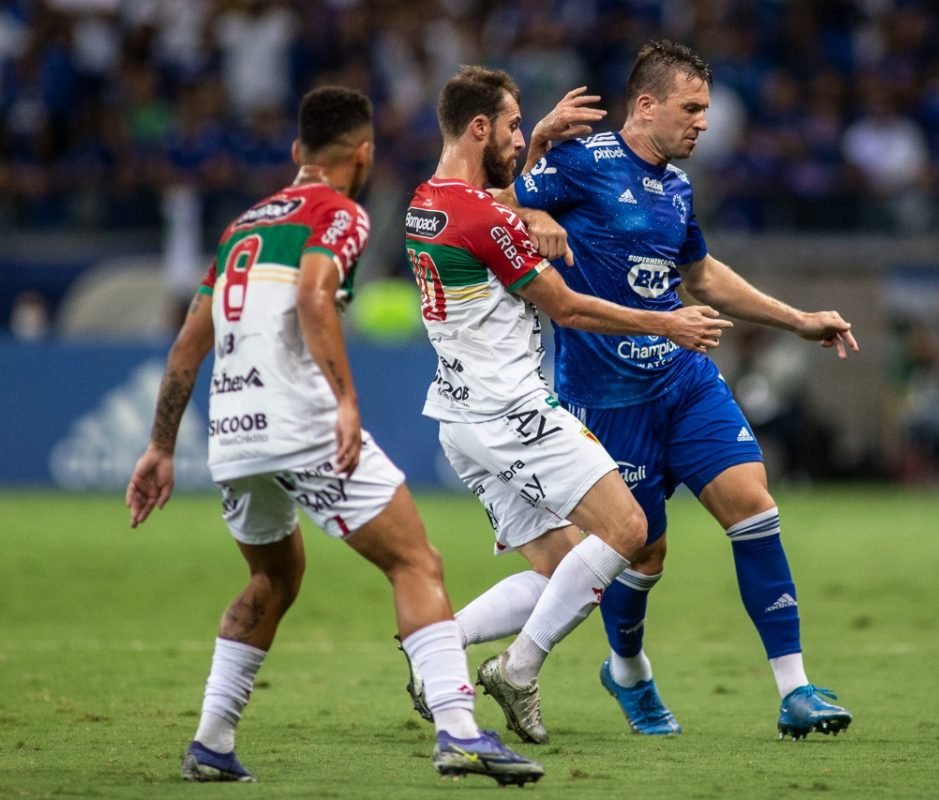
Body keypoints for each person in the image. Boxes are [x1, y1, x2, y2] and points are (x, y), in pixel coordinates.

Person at [124, 86, 544, 787]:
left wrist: (161, 446)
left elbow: (186, 349)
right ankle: (461, 732)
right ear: (364, 155)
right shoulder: (339, 212)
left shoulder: (243, 226)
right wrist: (347, 402)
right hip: (300, 422)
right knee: (416, 563)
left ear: (296, 153)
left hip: (232, 431)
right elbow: (315, 293)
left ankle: (211, 742)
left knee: (273, 577)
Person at [491, 40, 859, 741]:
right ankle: (627, 671)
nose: (704, 123)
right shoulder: (581, 162)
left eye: (707, 109)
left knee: (752, 504)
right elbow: (489, 209)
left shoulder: (677, 187)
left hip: (683, 379)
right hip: (606, 399)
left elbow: (701, 277)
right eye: (692, 108)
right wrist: (530, 204)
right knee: (644, 554)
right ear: (647, 104)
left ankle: (796, 689)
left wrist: (796, 320)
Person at [400, 65, 731, 746]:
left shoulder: (425, 202)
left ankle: (436, 647)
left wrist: (539, 156)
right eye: (516, 125)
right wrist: (667, 322)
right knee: (630, 532)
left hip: (458, 419)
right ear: (480, 128)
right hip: (513, 413)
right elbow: (569, 308)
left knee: (560, 571)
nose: (527, 135)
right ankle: (518, 669)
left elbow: (496, 201)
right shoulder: (488, 218)